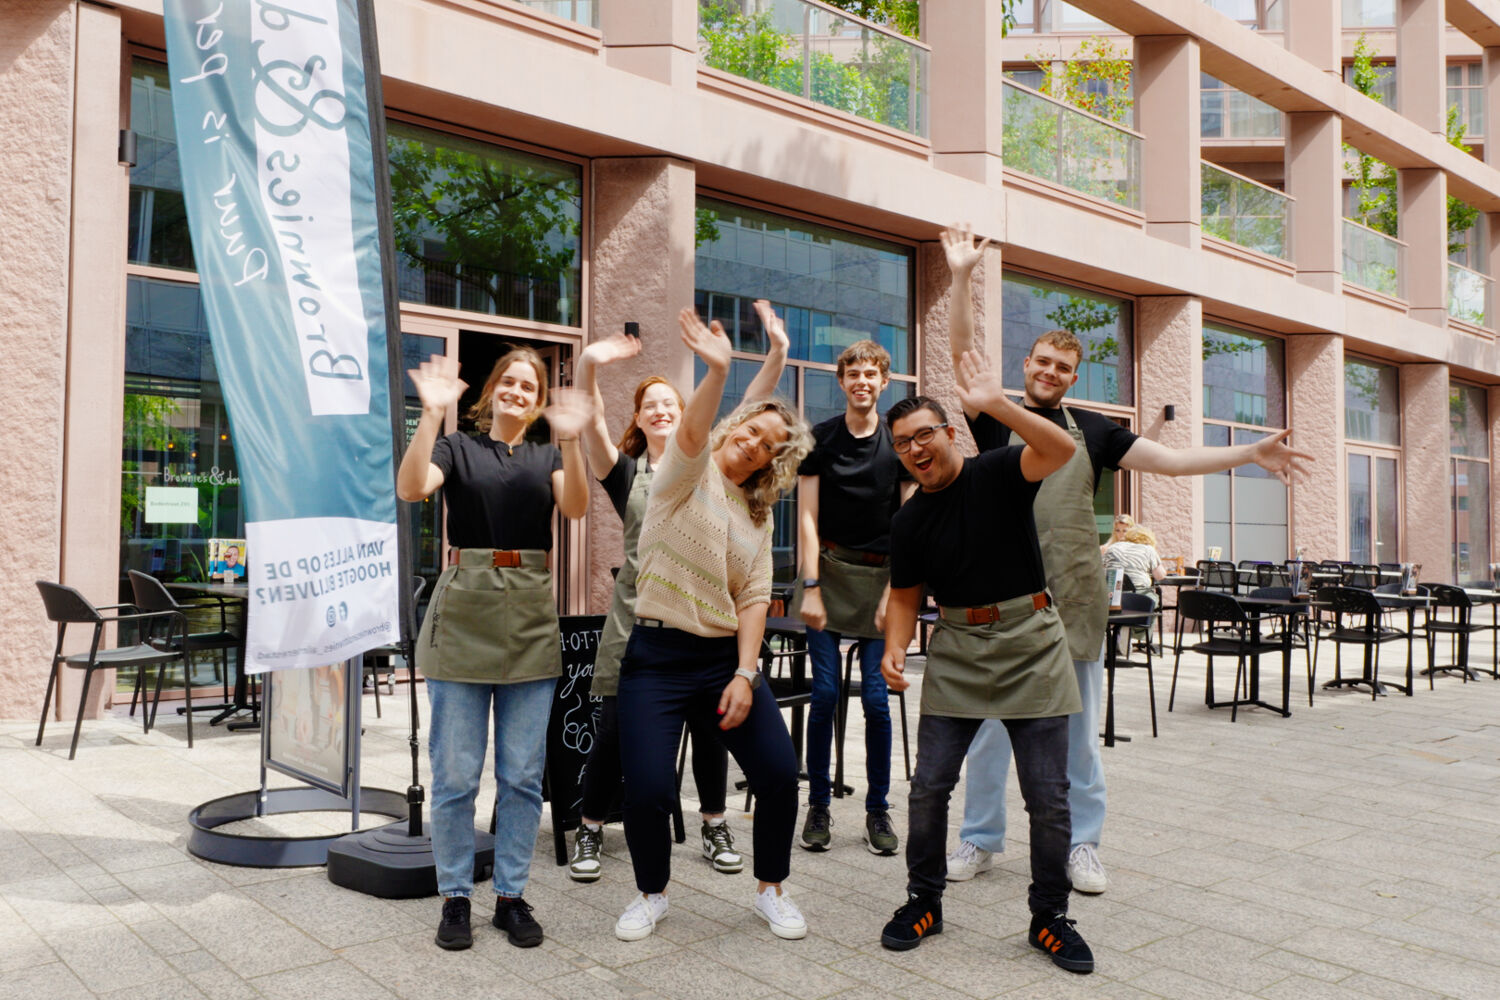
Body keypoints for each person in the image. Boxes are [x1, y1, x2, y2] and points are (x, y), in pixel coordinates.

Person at [940, 224, 1314, 894]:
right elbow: (963, 349)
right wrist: (963, 273)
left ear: (1073, 377)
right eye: (1040, 363)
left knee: (1078, 738)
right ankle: (978, 840)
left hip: (1073, 601)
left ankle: (1083, 846)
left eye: (1062, 367)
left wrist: (1247, 453)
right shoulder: (996, 418)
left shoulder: (1095, 431)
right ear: (1025, 367)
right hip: (1003, 601)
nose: (1049, 373)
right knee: (992, 732)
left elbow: (1171, 461)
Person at [877, 354, 1094, 974]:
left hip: (1032, 641)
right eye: (903, 443)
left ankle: (1049, 915)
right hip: (957, 649)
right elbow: (904, 596)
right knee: (928, 789)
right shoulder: (909, 520)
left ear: (948, 433)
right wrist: (896, 645)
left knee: (1049, 797)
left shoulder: (998, 470)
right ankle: (924, 901)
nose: (916, 448)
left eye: (925, 433)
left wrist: (998, 404)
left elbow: (1061, 453)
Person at [568, 304, 789, 883]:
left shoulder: (714, 462)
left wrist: (776, 354)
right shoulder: (627, 472)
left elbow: (752, 415)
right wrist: (590, 365)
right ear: (638, 419)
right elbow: (591, 422)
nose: (663, 409)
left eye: (672, 402)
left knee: (713, 733)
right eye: (650, 405)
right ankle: (590, 826)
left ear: (686, 413)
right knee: (617, 734)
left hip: (707, 625)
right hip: (637, 622)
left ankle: (713, 821)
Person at [612, 308, 813, 943]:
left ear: (773, 461)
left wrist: (747, 674)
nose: (756, 444)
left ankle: (771, 889)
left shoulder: (759, 515)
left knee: (780, 775)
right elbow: (695, 431)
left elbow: (755, 595)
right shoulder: (681, 472)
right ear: (738, 425)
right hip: (655, 656)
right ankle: (652, 894)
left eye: (771, 446)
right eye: (754, 430)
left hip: (723, 659)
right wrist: (718, 371)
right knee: (646, 789)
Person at [396, 347, 592, 952]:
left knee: (523, 775)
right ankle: (455, 895)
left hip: (531, 606)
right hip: (466, 603)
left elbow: (578, 507)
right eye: (507, 379)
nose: (516, 389)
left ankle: (510, 896)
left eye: (528, 384)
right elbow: (410, 488)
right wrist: (430, 415)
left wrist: (575, 440)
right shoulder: (458, 447)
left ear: (537, 400)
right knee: (455, 773)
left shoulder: (547, 452)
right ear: (491, 390)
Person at [795, 339, 913, 855]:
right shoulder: (819, 440)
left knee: (875, 702)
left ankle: (877, 810)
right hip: (828, 573)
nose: (862, 381)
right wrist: (812, 586)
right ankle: (818, 804)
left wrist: (895, 593)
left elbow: (910, 525)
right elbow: (805, 516)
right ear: (840, 381)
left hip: (883, 581)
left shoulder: (899, 443)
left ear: (884, 382)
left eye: (872, 374)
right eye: (853, 374)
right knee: (822, 695)